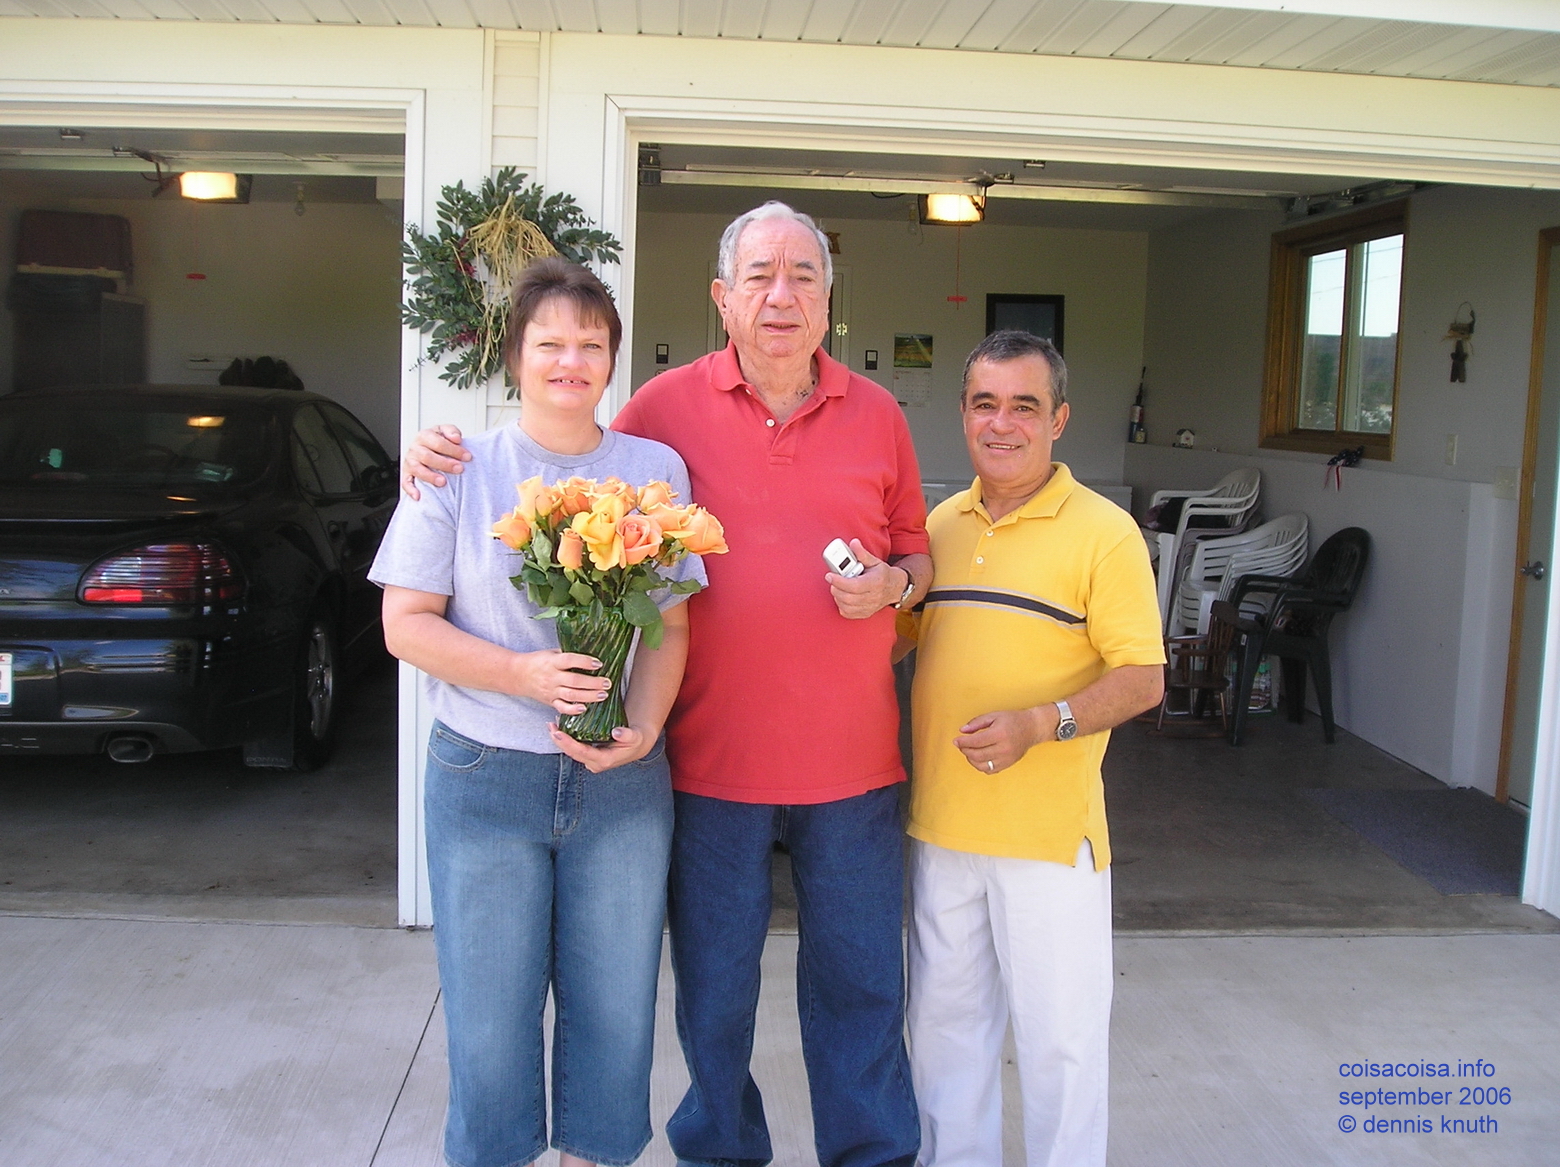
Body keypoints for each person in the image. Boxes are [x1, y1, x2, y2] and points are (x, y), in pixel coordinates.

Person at [402, 202, 930, 1167]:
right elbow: (568, 442)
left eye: (804, 276)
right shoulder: (658, 418)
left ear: (826, 301)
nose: (783, 295)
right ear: (722, 298)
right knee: (713, 993)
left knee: (861, 984)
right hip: (709, 762)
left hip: (852, 761)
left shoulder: (879, 415)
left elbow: (916, 552)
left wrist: (897, 584)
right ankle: (723, 1152)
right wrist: (435, 453)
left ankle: (875, 1155)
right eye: (760, 275)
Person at [370, 258, 707, 1167]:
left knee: (615, 1004)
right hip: (486, 778)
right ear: (513, 355)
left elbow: (669, 630)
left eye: (590, 344)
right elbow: (405, 624)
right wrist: (522, 672)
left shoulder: (652, 470)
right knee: (487, 1013)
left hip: (621, 786)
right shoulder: (457, 467)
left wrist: (640, 727)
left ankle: (592, 1156)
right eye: (549, 342)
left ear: (612, 361)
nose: (570, 360)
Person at [897, 330, 1165, 1167]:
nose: (1001, 423)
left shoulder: (1106, 533)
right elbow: (891, 642)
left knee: (1062, 1047)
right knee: (944, 1040)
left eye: (1024, 405)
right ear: (965, 415)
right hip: (941, 828)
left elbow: (1143, 678)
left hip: (1050, 840)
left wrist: (1038, 723)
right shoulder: (940, 525)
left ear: (1060, 420)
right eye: (985, 403)